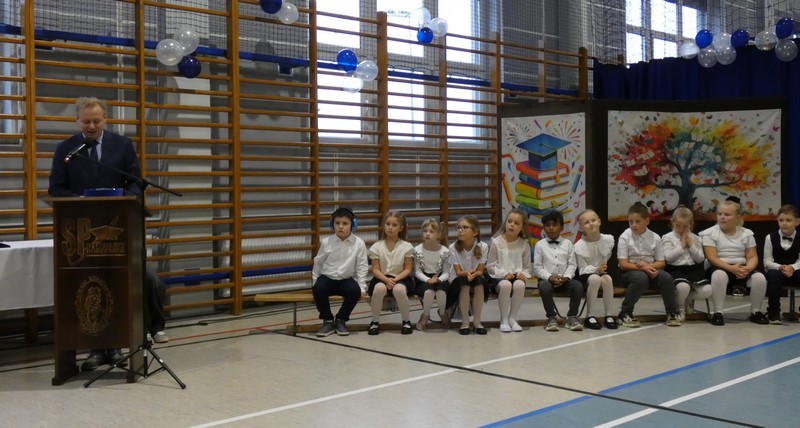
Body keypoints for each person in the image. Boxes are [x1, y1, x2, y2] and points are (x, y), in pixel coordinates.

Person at [48, 97, 166, 371]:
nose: (91, 126)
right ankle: (95, 349)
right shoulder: (66, 149)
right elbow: (56, 188)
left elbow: (135, 182)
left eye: (96, 121)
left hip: (118, 227)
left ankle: (114, 347)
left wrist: (127, 198)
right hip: (82, 231)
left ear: (106, 120)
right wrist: (80, 200)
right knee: (90, 283)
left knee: (118, 281)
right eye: (86, 121)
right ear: (76, 121)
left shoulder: (121, 145)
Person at [700, 198, 768, 326]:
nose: (722, 217)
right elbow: (712, 257)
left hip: (741, 268)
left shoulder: (746, 233)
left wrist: (748, 269)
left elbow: (752, 257)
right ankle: (718, 312)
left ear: (737, 217)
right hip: (718, 266)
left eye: (727, 214)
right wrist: (731, 268)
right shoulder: (710, 233)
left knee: (759, 278)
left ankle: (756, 311)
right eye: (720, 214)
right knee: (719, 275)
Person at [617, 202, 680, 328]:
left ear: (647, 221)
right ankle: (625, 313)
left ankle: (672, 312)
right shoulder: (624, 237)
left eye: (637, 221)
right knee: (640, 278)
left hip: (651, 269)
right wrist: (643, 268)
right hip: (629, 272)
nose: (633, 225)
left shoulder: (655, 237)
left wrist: (648, 267)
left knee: (666, 278)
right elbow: (623, 264)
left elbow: (661, 263)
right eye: (630, 222)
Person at [311, 207, 368, 337]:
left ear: (353, 225)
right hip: (328, 278)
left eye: (345, 223)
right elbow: (318, 262)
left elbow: (362, 266)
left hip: (346, 279)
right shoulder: (326, 242)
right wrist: (315, 282)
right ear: (332, 224)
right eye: (337, 223)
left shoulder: (359, 244)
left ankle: (341, 319)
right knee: (318, 289)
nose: (341, 226)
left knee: (354, 291)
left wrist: (362, 287)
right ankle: (328, 320)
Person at [533, 209, 584, 332]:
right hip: (547, 280)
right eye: (547, 225)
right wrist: (550, 277)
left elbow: (572, 264)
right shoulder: (540, 245)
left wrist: (566, 277)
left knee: (577, 286)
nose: (551, 228)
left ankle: (572, 316)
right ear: (543, 227)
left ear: (561, 227)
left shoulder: (568, 244)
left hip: (565, 279)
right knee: (544, 287)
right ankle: (551, 317)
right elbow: (537, 267)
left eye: (554, 225)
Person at [368, 211, 415, 335]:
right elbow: (375, 269)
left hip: (401, 278)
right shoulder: (377, 246)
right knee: (378, 289)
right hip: (382, 277)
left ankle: (406, 321)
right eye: (388, 224)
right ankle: (374, 322)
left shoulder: (407, 246)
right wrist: (386, 280)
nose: (390, 227)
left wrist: (394, 280)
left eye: (394, 225)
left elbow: (408, 269)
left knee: (399, 290)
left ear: (401, 228)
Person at [660, 206, 708, 322]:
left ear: (691, 224)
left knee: (707, 290)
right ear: (672, 222)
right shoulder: (667, 237)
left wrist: (691, 246)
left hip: (693, 269)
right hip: (675, 269)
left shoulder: (696, 238)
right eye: (678, 226)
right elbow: (668, 258)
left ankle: (687, 300)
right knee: (683, 287)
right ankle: (680, 308)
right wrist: (681, 246)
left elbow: (700, 259)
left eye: (685, 226)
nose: (681, 229)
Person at [487, 208, 531, 333]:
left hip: (516, 276)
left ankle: (512, 318)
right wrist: (504, 273)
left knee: (519, 285)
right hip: (498, 277)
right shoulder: (496, 242)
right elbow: (490, 266)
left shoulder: (524, 243)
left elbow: (527, 267)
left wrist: (523, 274)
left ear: (522, 227)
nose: (512, 225)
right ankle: (504, 319)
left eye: (516, 223)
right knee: (506, 285)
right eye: (509, 221)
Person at [573, 209, 617, 330]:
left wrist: (601, 269)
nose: (591, 224)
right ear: (581, 227)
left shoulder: (607, 240)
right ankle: (590, 316)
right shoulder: (579, 246)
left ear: (599, 221)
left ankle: (609, 314)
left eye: (593, 220)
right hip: (586, 275)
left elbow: (606, 258)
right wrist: (596, 269)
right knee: (595, 279)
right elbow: (582, 269)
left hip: (601, 272)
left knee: (608, 279)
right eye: (587, 222)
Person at [450, 215, 489, 335]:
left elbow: (480, 271)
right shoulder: (453, 247)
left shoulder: (483, 247)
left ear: (475, 232)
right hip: (458, 278)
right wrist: (467, 273)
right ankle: (465, 322)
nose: (460, 230)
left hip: (475, 276)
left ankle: (477, 322)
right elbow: (458, 272)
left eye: (465, 227)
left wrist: (474, 274)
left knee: (479, 283)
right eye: (458, 227)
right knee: (465, 284)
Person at [763, 204, 800, 324]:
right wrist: (781, 267)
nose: (784, 223)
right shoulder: (770, 237)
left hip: (796, 271)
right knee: (773, 276)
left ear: (797, 222)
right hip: (777, 270)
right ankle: (774, 313)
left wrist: (792, 268)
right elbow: (767, 262)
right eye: (781, 220)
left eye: (788, 220)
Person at [412, 218, 451, 331]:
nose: (428, 234)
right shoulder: (417, 250)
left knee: (441, 292)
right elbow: (417, 271)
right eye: (425, 231)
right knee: (428, 292)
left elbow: (446, 272)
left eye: (431, 231)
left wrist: (438, 279)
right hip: (423, 279)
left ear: (438, 234)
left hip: (440, 278)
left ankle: (442, 313)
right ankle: (425, 315)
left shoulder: (444, 251)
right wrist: (428, 280)